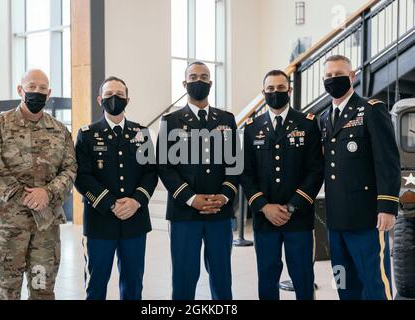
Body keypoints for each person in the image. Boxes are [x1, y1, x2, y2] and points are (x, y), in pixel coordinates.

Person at [0, 69, 77, 300]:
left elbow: (70, 168)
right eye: (31, 87)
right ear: (20, 90)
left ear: (49, 93)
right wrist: (23, 195)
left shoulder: (60, 131)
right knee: (6, 292)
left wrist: (48, 193)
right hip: (8, 227)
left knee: (43, 290)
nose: (37, 92)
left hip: (46, 227)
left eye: (42, 88)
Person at [319, 55, 401, 300]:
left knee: (374, 282)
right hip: (335, 221)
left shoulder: (370, 110)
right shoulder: (324, 118)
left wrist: (387, 207)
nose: (334, 80)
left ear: (352, 76)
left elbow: (387, 161)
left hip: (366, 218)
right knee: (344, 283)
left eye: (339, 74)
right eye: (329, 76)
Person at [157, 61, 239, 300]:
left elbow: (234, 164)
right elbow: (165, 166)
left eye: (204, 77)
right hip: (184, 213)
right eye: (193, 77)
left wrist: (224, 196)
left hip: (219, 212)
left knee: (222, 278)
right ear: (184, 83)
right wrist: (191, 198)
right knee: (183, 278)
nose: (199, 81)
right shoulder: (170, 121)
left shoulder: (226, 119)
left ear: (211, 83)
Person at [241, 70, 324, 300]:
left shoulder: (307, 124)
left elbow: (316, 171)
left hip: (298, 218)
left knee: (303, 276)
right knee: (267, 277)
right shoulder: (251, 127)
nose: (275, 93)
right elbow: (246, 174)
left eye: (280, 88)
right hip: (264, 218)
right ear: (263, 92)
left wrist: (291, 207)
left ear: (289, 90)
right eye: (270, 89)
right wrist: (264, 206)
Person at [74, 76, 158, 300]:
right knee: (96, 284)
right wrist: (110, 203)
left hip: (135, 221)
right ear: (100, 99)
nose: (114, 98)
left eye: (120, 95)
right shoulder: (87, 135)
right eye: (109, 94)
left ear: (128, 99)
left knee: (133, 285)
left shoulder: (142, 134)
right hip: (99, 222)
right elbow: (81, 177)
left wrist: (136, 201)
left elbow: (150, 173)